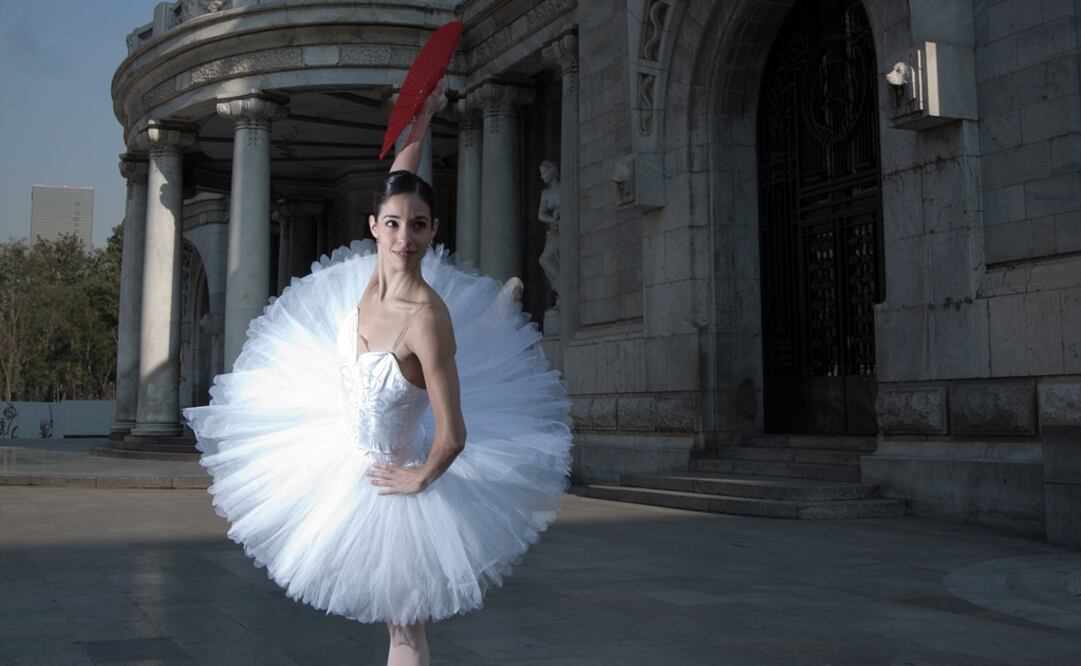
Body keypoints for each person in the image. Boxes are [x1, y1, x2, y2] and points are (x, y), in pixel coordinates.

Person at [181, 80, 573, 666]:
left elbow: (454, 434)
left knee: (403, 630)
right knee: (394, 624)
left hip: (395, 481)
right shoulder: (369, 279)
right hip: (339, 455)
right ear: (373, 227)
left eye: (419, 226)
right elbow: (401, 172)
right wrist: (425, 116)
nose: (405, 237)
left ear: (433, 233)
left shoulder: (426, 319)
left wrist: (417, 479)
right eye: (393, 224)